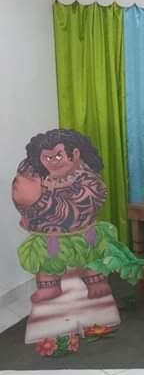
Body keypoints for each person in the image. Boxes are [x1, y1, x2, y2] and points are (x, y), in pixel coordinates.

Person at [12, 129, 114, 302]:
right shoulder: (41, 176)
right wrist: (26, 202)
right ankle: (49, 286)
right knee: (47, 262)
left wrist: (41, 199)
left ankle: (94, 281)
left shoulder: (87, 178)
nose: (53, 162)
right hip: (48, 236)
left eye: (58, 156)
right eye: (47, 158)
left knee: (90, 257)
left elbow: (80, 207)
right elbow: (26, 200)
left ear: (75, 153)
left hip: (82, 233)